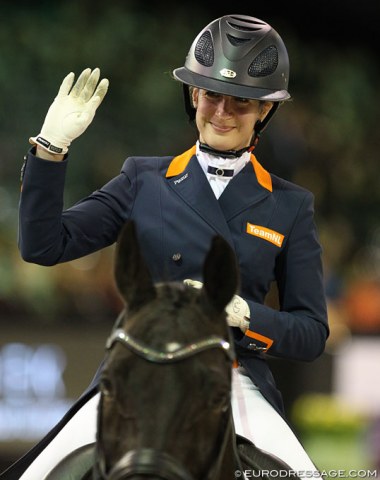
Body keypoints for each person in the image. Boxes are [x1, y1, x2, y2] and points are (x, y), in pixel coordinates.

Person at [3, 13, 329, 480]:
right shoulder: (143, 179)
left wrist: (246, 315)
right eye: (211, 95)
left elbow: (311, 333)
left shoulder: (291, 206)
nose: (221, 112)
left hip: (231, 379)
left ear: (265, 111)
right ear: (194, 94)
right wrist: (51, 149)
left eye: (240, 102)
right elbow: (43, 245)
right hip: (137, 371)